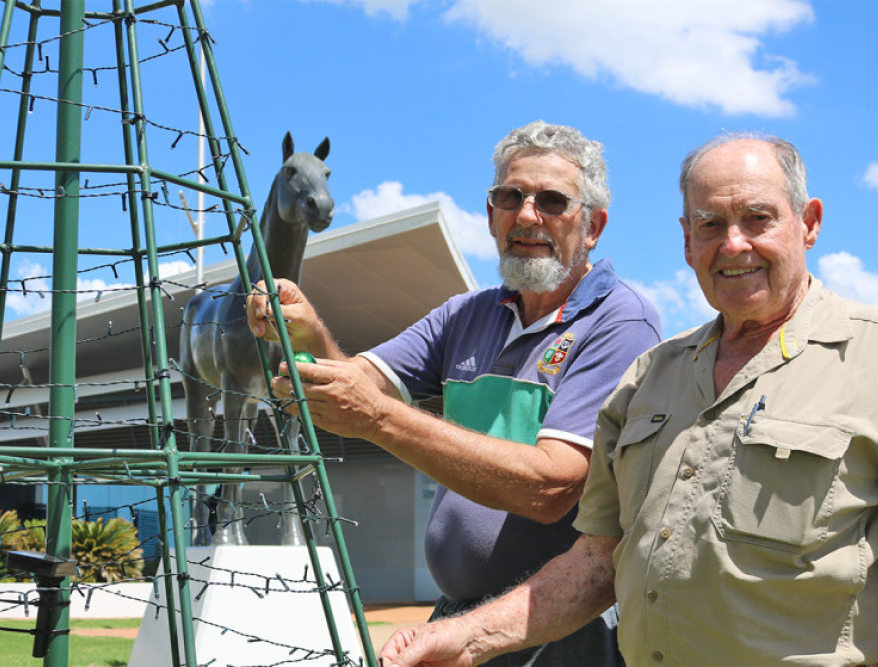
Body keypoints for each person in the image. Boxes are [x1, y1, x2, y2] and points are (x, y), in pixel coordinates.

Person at [379, 133, 878, 667]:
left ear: (808, 223)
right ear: (687, 241)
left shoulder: (867, 360)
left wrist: (379, 418)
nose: (733, 244)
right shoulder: (649, 379)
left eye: (758, 218)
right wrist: (468, 636)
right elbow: (597, 564)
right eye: (710, 224)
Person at [248, 120, 661, 666]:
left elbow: (550, 487)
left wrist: (379, 419)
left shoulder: (620, 321)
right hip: (459, 616)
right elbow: (354, 382)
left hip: (559, 634)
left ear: (592, 226)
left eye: (553, 201)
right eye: (509, 196)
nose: (527, 214)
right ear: (491, 215)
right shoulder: (464, 314)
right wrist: (304, 328)